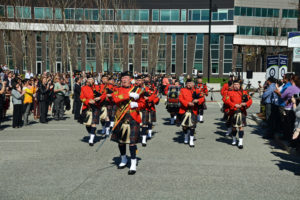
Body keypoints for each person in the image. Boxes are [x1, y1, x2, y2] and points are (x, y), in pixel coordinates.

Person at [110, 71, 145, 175]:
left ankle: (133, 163)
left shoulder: (138, 90)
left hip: (133, 117)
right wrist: (128, 95)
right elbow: (115, 99)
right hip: (120, 118)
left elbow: (143, 103)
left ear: (130, 79)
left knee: (132, 142)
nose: (123, 80)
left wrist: (137, 105)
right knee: (121, 141)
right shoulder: (117, 89)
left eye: (126, 78)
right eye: (122, 78)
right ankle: (123, 158)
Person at [224, 80, 252, 149]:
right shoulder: (229, 92)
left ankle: (240, 142)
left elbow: (250, 100)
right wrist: (234, 105)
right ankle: (234, 139)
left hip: (241, 112)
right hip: (233, 112)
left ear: (240, 85)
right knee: (234, 127)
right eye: (235, 84)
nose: (236, 86)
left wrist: (245, 103)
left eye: (237, 84)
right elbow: (226, 100)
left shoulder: (244, 92)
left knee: (241, 127)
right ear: (233, 85)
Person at [80, 76, 106, 146]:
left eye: (91, 80)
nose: (89, 81)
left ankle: (91, 140)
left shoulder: (98, 87)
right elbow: (82, 98)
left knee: (93, 123)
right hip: (87, 107)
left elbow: (104, 94)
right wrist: (88, 101)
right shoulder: (83, 88)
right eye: (88, 79)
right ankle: (91, 133)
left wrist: (100, 97)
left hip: (96, 107)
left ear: (93, 81)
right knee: (88, 124)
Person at [178, 79, 205, 147]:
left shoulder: (196, 90)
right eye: (188, 83)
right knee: (184, 126)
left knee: (192, 127)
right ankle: (186, 136)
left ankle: (191, 140)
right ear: (186, 84)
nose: (189, 85)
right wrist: (187, 103)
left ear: (193, 84)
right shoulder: (182, 90)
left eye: (190, 83)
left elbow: (203, 98)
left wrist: (198, 100)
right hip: (184, 110)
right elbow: (180, 99)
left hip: (193, 110)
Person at [280, 75, 300, 141]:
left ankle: (287, 138)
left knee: (287, 124)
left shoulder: (290, 88)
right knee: (295, 124)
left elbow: (282, 96)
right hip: (297, 108)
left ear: (292, 80)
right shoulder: (298, 88)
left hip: (289, 108)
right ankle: (294, 139)